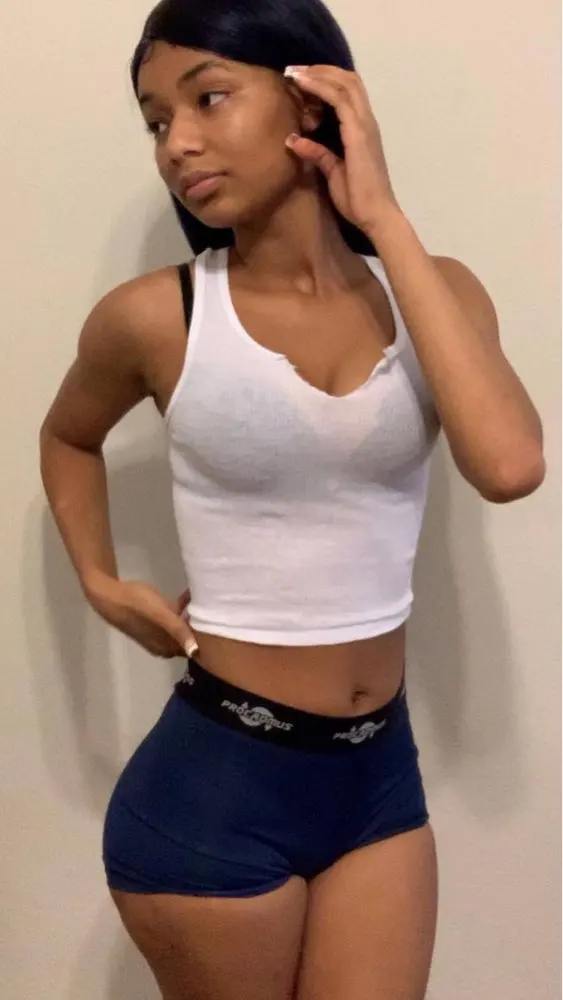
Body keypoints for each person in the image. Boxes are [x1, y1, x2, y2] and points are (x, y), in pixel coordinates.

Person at [39, 0, 546, 997]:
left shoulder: (436, 292)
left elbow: (507, 465)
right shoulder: (157, 317)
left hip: (377, 776)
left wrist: (382, 214)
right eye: (155, 121)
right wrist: (100, 581)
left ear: (313, 98)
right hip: (217, 785)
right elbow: (66, 437)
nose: (176, 143)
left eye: (208, 98)